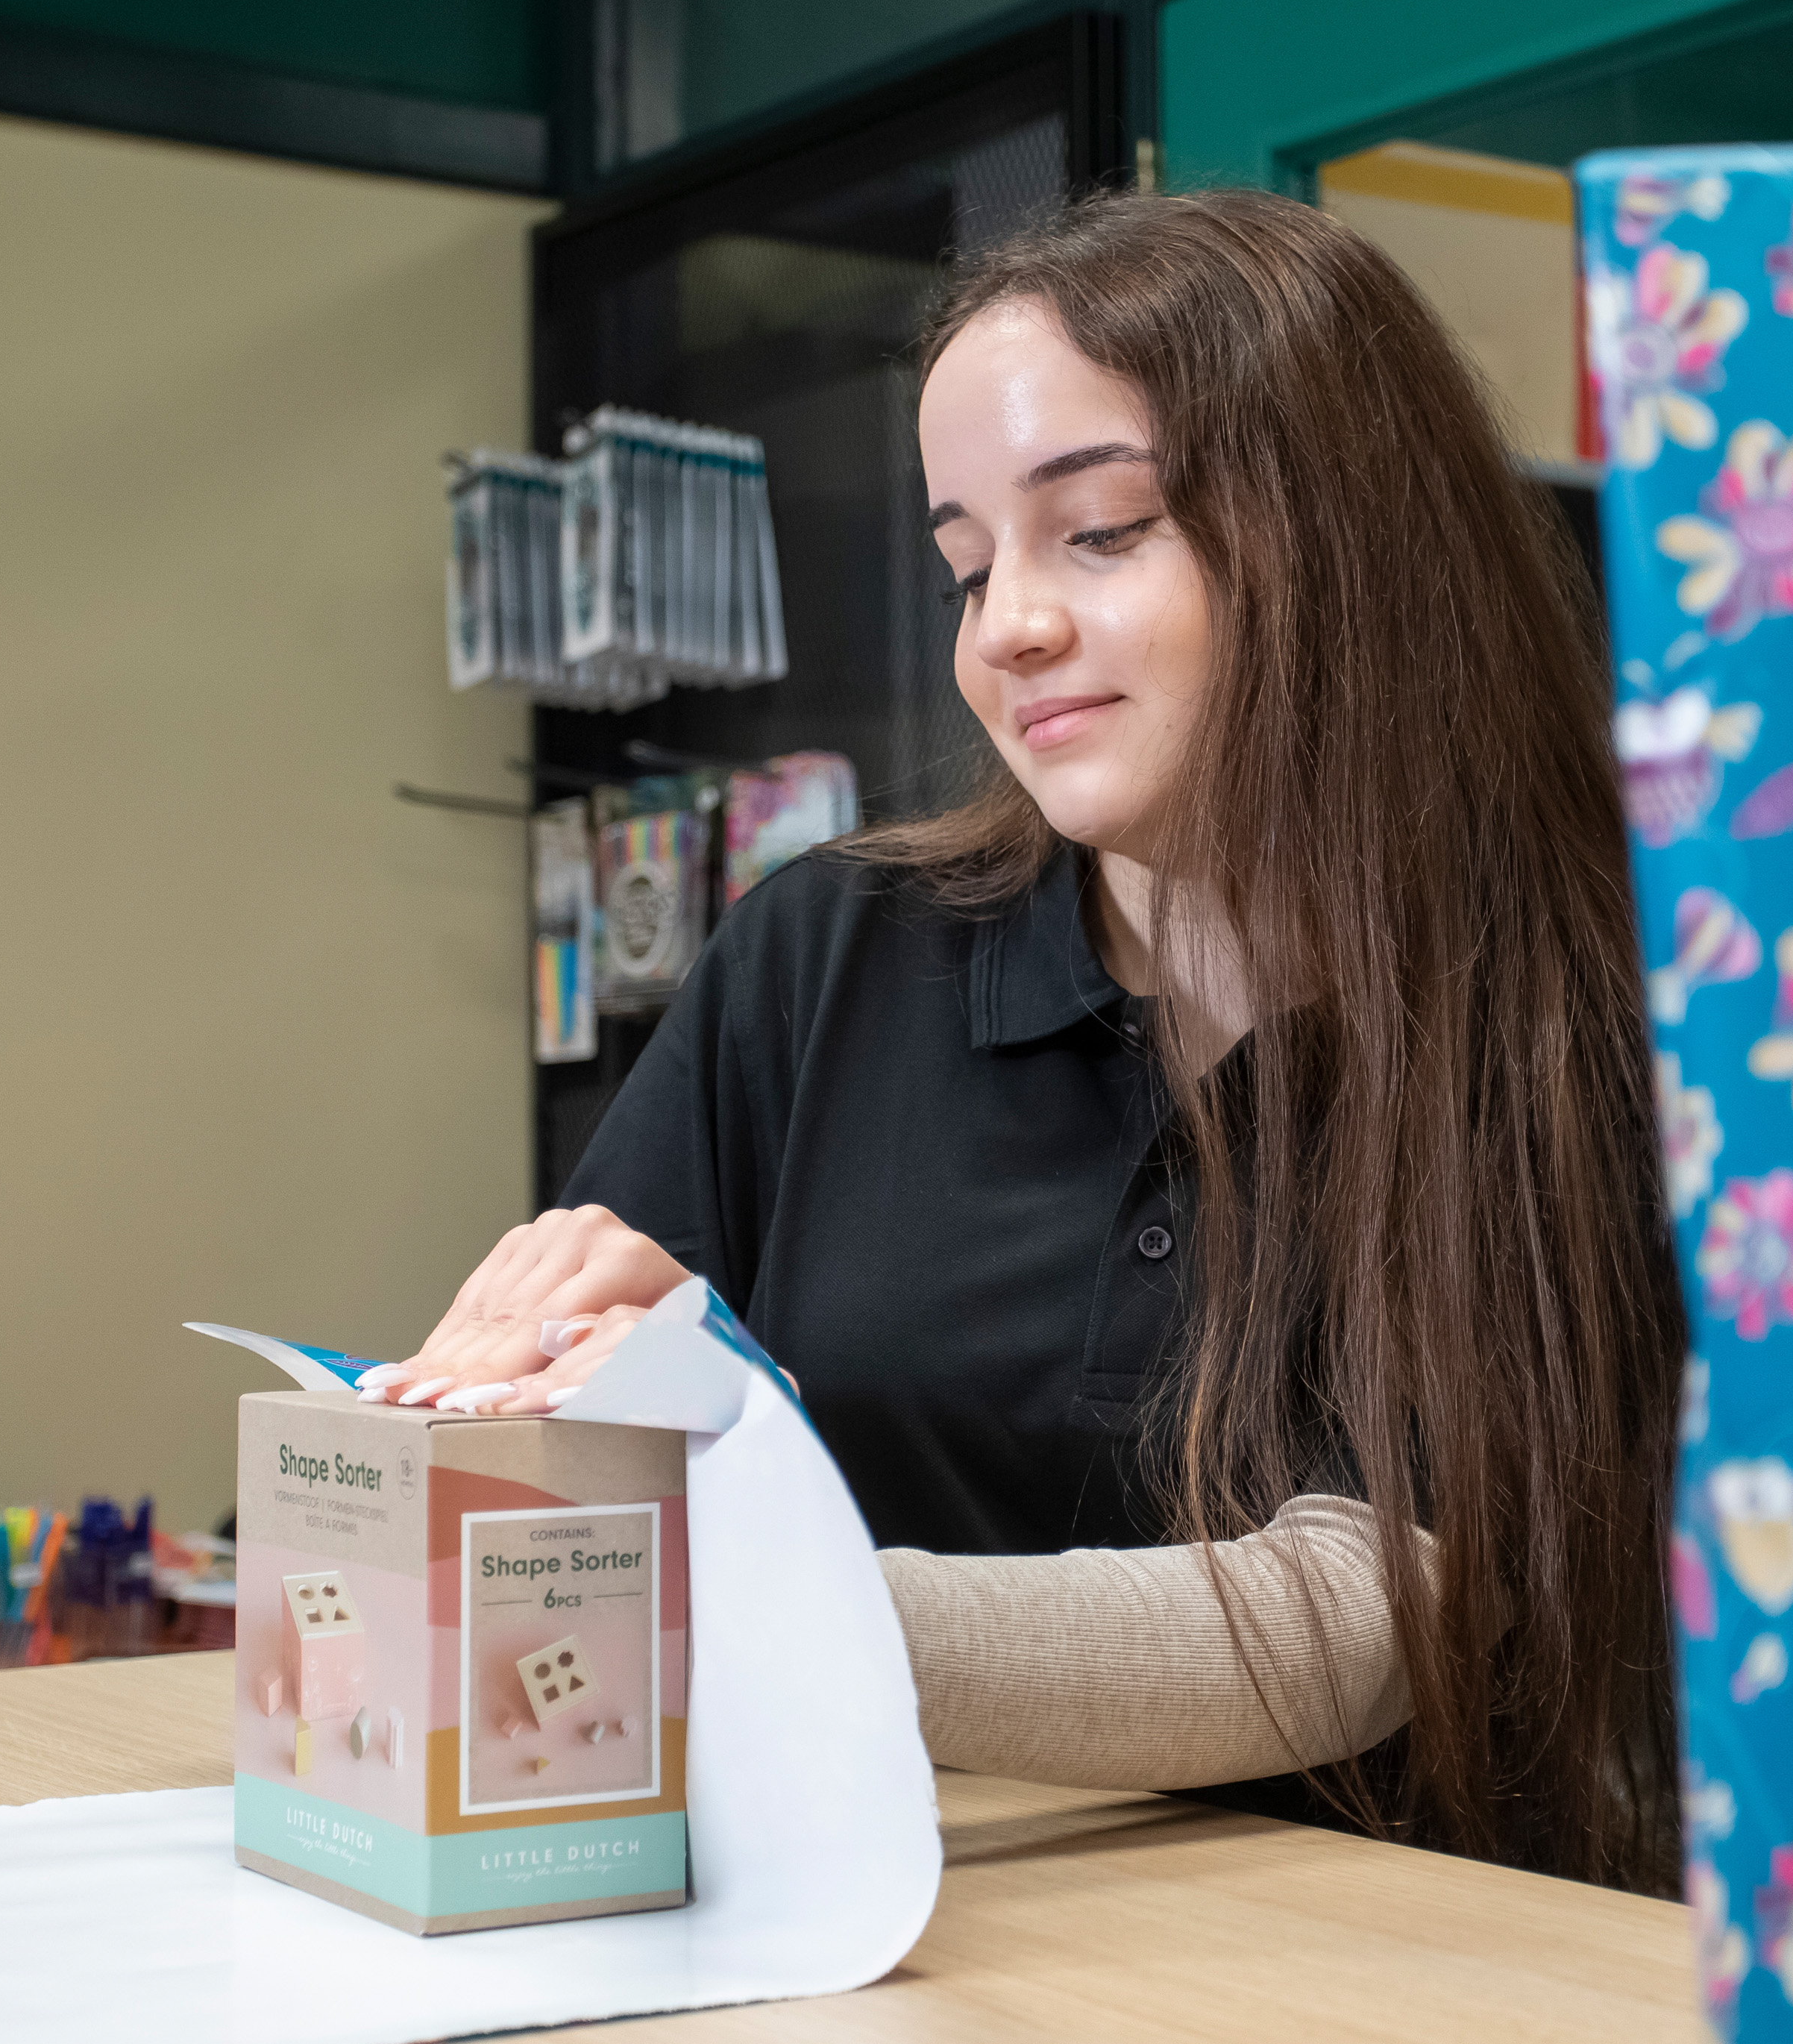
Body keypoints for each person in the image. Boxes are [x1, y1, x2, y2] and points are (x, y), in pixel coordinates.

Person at [358, 189, 1682, 1893]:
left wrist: (742, 1602)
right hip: (840, 1967)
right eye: (967, 564)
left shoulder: (1576, 1018)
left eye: (1104, 531)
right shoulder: (823, 956)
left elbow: (1362, 1609)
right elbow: (565, 1530)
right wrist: (508, 1421)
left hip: (1370, 2015)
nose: (1007, 627)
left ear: (1347, 537)